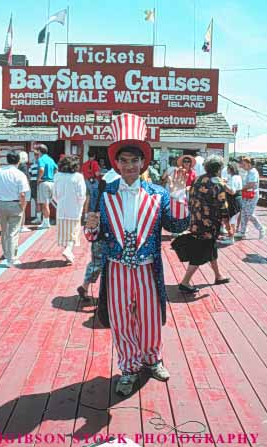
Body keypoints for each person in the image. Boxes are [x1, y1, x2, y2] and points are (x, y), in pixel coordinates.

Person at [85, 113, 183, 396]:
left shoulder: (158, 193)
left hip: (147, 268)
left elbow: (176, 225)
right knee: (121, 319)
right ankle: (129, 367)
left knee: (151, 317)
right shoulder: (104, 193)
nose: (129, 166)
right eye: (124, 161)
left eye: (135, 160)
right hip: (116, 268)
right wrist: (90, 228)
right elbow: (94, 234)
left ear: (143, 164)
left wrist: (177, 195)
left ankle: (152, 360)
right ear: (116, 163)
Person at [178, 155, 231, 293]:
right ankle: (185, 282)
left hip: (196, 221)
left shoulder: (198, 179)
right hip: (210, 225)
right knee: (200, 252)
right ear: (219, 168)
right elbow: (223, 207)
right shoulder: (217, 183)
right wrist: (229, 227)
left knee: (211, 249)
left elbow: (190, 199)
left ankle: (218, 276)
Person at [77, 169, 121, 301]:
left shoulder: (101, 183)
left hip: (98, 228)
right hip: (112, 231)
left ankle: (85, 286)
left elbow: (91, 203)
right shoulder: (119, 183)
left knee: (96, 261)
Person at [0, 151, 30, 267]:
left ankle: (6, 252)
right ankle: (12, 258)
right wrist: (22, 206)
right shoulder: (20, 174)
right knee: (13, 232)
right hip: (15, 204)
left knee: (4, 230)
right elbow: (22, 194)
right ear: (18, 161)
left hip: (1, 204)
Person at [53, 156, 86, 264]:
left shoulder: (57, 176)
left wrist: (60, 202)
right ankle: (68, 250)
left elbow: (55, 195)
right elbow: (81, 195)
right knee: (73, 232)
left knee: (64, 233)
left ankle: (68, 252)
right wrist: (81, 205)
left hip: (61, 208)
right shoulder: (78, 177)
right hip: (74, 209)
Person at [236, 157, 266, 240]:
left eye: (244, 164)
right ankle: (242, 232)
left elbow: (251, 184)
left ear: (249, 164)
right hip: (247, 194)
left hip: (251, 195)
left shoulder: (253, 172)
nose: (242, 166)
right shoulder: (249, 171)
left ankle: (261, 228)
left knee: (249, 213)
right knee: (244, 213)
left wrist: (240, 188)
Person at [220, 162, 243, 245]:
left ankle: (231, 238)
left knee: (232, 221)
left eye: (228, 168)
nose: (227, 170)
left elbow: (232, 191)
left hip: (233, 202)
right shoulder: (238, 177)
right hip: (238, 201)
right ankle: (230, 236)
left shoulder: (233, 178)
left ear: (231, 169)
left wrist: (223, 184)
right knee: (233, 220)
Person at [36, 144, 58, 229]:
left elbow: (41, 169)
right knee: (52, 203)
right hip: (51, 182)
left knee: (45, 204)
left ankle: (46, 222)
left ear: (39, 151)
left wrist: (39, 179)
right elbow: (56, 169)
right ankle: (48, 221)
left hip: (44, 182)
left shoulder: (41, 159)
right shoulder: (50, 159)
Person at [82, 150, 101, 217]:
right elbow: (97, 174)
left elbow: (83, 174)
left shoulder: (84, 164)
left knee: (88, 198)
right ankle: (93, 211)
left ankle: (87, 213)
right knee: (95, 196)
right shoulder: (95, 163)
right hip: (94, 181)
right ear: (94, 156)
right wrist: (99, 170)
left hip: (86, 181)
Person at [18, 151, 31, 233]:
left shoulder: (18, 166)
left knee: (20, 208)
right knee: (23, 208)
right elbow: (25, 177)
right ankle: (21, 226)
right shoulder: (24, 166)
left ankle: (19, 226)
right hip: (24, 189)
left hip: (18, 189)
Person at [29, 149, 42, 224]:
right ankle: (40, 217)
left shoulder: (33, 165)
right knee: (39, 201)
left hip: (35, 182)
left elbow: (30, 173)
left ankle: (39, 218)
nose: (36, 156)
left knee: (37, 201)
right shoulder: (36, 164)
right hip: (38, 182)